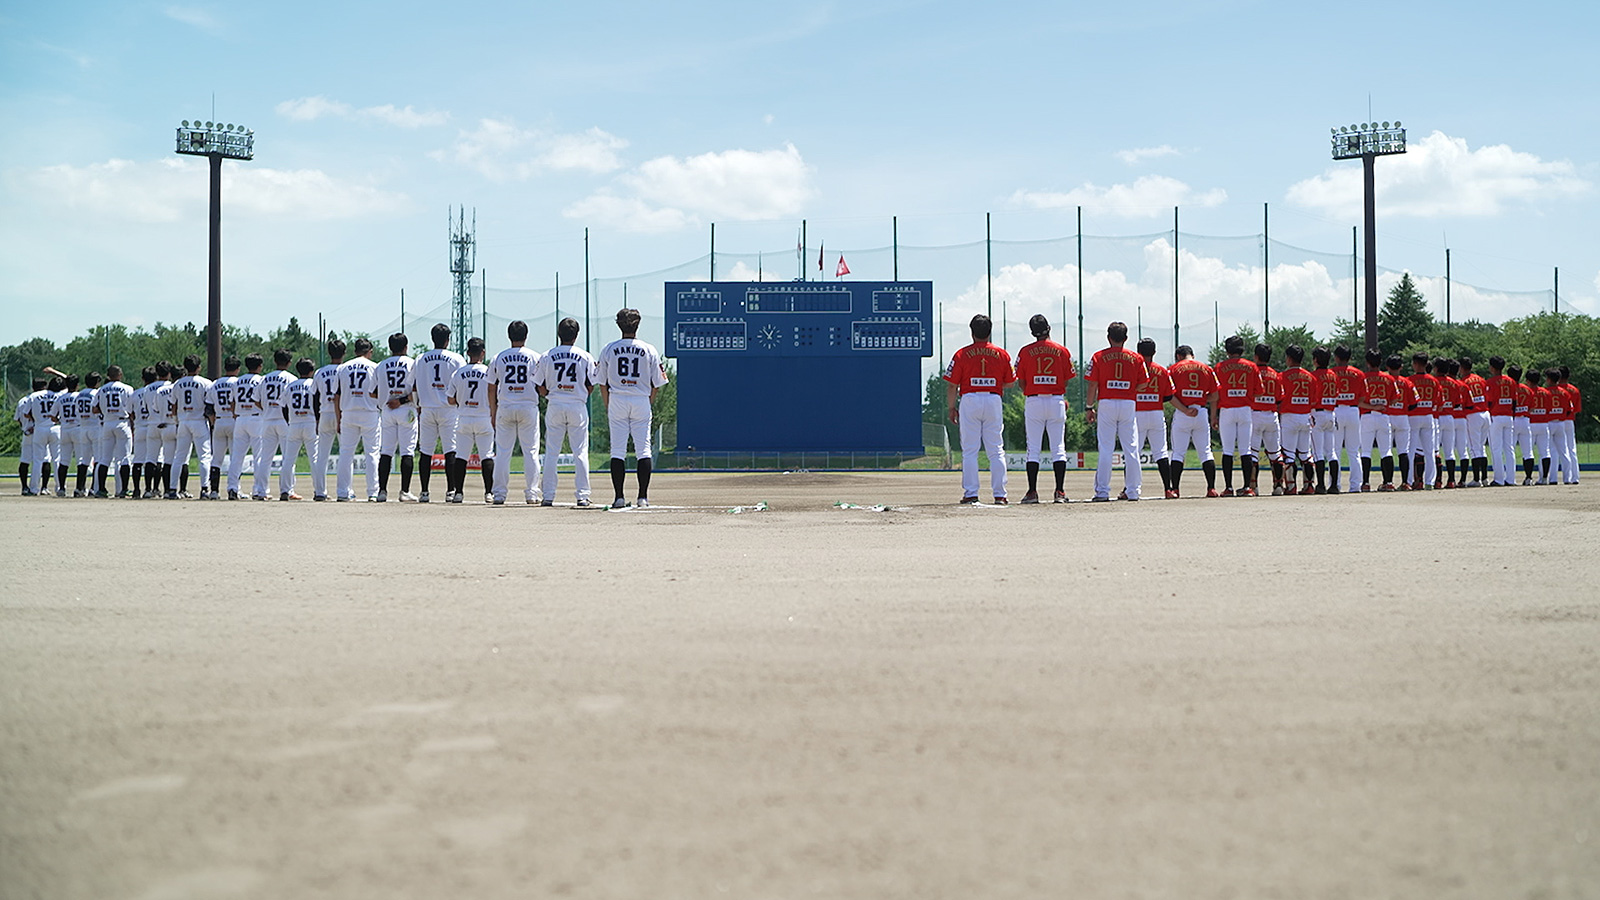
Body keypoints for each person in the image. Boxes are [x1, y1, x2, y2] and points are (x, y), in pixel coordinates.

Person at [598, 309, 668, 509]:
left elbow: (601, 382)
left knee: (617, 450)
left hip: (617, 399)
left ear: (619, 324)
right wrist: (649, 402)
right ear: (638, 324)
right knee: (643, 450)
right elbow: (657, 383)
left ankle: (619, 497)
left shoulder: (608, 349)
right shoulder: (649, 349)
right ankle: (642, 498)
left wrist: (608, 404)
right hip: (641, 400)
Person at [945, 314, 1014, 504]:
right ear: (990, 331)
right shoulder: (1001, 354)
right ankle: (1000, 494)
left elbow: (952, 385)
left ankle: (971, 493)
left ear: (972, 332)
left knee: (970, 450)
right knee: (996, 449)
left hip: (969, 399)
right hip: (993, 399)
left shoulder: (961, 354)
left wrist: (951, 408)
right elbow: (1009, 383)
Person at [534, 317, 599, 507]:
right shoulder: (585, 356)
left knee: (552, 452)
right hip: (577, 405)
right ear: (576, 335)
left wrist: (550, 392)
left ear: (558, 334)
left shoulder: (547, 355)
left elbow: (539, 385)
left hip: (555, 404)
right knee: (580, 452)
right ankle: (583, 495)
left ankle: (548, 495)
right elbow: (591, 384)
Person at [1014, 314, 1075, 503]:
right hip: (1056, 400)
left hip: (1034, 400)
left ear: (1032, 332)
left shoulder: (1024, 351)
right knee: (1058, 448)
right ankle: (1060, 492)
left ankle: (1032, 492)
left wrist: (1034, 390)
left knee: (1033, 449)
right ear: (1049, 328)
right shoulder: (1062, 350)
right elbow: (1067, 378)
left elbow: (1021, 382)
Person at [1085, 321, 1148, 502]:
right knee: (1131, 448)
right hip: (1128, 403)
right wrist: (1130, 389)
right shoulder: (1136, 358)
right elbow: (1144, 382)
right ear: (1126, 338)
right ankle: (1133, 491)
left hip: (1106, 402)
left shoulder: (1098, 356)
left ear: (1108, 337)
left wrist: (1089, 407)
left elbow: (1092, 384)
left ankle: (1102, 492)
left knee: (1106, 448)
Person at [489, 320, 544, 506]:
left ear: (509, 336)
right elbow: (541, 384)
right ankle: (532, 493)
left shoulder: (498, 357)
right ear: (526, 336)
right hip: (528, 406)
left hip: (505, 405)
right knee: (531, 452)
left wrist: (492, 412)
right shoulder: (535, 356)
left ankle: (499, 494)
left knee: (503, 453)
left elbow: (491, 387)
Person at [414, 324, 466, 503]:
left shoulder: (420, 358)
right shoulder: (456, 358)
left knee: (425, 451)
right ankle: (451, 490)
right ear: (447, 340)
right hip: (448, 408)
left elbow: (414, 384)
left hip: (427, 408)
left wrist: (417, 403)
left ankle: (424, 492)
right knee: (450, 450)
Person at [446, 337, 496, 504]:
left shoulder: (458, 373)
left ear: (467, 353)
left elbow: (450, 400)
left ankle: (458, 492)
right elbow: (494, 395)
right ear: (483, 352)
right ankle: (489, 493)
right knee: (486, 456)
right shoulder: (489, 371)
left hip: (464, 417)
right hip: (484, 417)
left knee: (461, 456)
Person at [1166, 345, 1218, 498]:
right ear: (1192, 355)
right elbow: (1215, 396)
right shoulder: (1207, 368)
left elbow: (1169, 395)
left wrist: (1185, 409)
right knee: (1205, 452)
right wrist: (1202, 399)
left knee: (1178, 453)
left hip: (1183, 413)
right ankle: (1211, 489)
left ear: (1178, 356)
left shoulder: (1174, 369)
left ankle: (1175, 489)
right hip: (1201, 412)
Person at [1212, 335, 1261, 496]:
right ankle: (1247, 487)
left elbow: (1215, 394)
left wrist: (1214, 415)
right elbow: (1259, 391)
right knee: (1245, 450)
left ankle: (1228, 488)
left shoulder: (1219, 367)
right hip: (1245, 410)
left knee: (1227, 450)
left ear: (1227, 351)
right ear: (1242, 350)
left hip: (1226, 410)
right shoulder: (1252, 366)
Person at [334, 338, 382, 502]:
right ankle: (373, 492)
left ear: (355, 352)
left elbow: (337, 395)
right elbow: (379, 392)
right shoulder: (375, 367)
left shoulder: (342, 367)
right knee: (372, 453)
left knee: (346, 453)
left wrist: (338, 418)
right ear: (370, 352)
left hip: (348, 412)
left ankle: (342, 492)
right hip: (369, 412)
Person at [374, 332, 419, 502]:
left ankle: (382, 491)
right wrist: (401, 399)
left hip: (387, 410)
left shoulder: (381, 365)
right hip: (406, 408)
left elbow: (373, 391)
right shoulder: (412, 363)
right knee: (407, 451)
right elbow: (416, 389)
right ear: (406, 347)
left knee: (386, 451)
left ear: (390, 347)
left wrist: (387, 398)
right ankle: (405, 491)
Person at [1132, 337, 1175, 499]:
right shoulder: (1162, 370)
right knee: (1161, 452)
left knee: (1134, 452)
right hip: (1157, 413)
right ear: (1154, 352)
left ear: (1138, 352)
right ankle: (1168, 489)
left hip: (1137, 414)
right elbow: (1168, 395)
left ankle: (1129, 488)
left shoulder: (1134, 369)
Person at [169, 355, 213, 500]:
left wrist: (177, 420)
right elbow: (209, 406)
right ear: (199, 367)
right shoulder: (206, 383)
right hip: (199, 421)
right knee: (204, 457)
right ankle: (205, 489)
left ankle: (172, 489)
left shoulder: (177, 383)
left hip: (183, 421)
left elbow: (173, 406)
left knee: (179, 457)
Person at [310, 341, 344, 502]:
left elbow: (315, 397)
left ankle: (319, 491)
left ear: (329, 353)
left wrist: (316, 418)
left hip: (324, 414)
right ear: (344, 354)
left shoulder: (319, 372)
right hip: (342, 415)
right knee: (345, 454)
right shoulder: (345, 370)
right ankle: (345, 490)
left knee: (322, 456)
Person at [227, 354, 265, 501]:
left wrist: (238, 415)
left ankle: (232, 488)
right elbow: (260, 401)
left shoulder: (237, 381)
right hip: (256, 418)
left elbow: (232, 403)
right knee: (258, 456)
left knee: (236, 457)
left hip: (240, 419)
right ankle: (257, 490)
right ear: (259, 366)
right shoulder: (261, 380)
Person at [1248, 343, 1284, 496]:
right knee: (1275, 454)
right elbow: (1280, 398)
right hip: (1271, 415)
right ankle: (1278, 486)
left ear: (1256, 357)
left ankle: (1253, 487)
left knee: (1253, 454)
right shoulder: (1275, 374)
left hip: (1255, 414)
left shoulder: (1252, 372)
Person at [279, 358, 318, 500]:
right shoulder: (314, 384)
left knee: (288, 459)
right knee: (314, 459)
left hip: (294, 423)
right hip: (310, 422)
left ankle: (285, 490)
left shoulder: (290, 386)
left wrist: (289, 421)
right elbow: (317, 404)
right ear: (311, 371)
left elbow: (283, 407)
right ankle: (319, 491)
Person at [1329, 345, 1366, 494]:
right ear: (1349, 357)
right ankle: (1356, 486)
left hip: (1336, 410)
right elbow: (1362, 397)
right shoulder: (1358, 373)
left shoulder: (1331, 373)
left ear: (1336, 357)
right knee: (1354, 451)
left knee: (1335, 450)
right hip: (1353, 410)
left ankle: (1335, 485)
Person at [1357, 349, 1393, 492]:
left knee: (1366, 451)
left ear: (1367, 363)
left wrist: (1372, 405)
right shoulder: (1388, 378)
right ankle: (1388, 482)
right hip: (1383, 415)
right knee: (1386, 451)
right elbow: (1396, 397)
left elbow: (1359, 402)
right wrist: (1382, 404)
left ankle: (1365, 482)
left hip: (1367, 416)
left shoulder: (1363, 378)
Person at [1407, 353, 1440, 491]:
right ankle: (1430, 482)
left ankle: (1408, 480)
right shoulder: (1434, 381)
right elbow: (1438, 402)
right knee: (1429, 451)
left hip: (1414, 416)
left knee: (1411, 450)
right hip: (1428, 416)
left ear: (1415, 364)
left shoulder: (1409, 380)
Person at [207, 357, 240, 500]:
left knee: (216, 459)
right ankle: (234, 490)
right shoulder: (238, 382)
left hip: (219, 421)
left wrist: (214, 423)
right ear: (237, 369)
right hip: (234, 421)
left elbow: (208, 408)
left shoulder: (215, 384)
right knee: (235, 458)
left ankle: (214, 491)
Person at [1310, 347, 1340, 493]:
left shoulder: (1313, 375)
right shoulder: (1333, 375)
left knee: (1318, 453)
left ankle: (1321, 485)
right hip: (1331, 413)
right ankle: (1334, 485)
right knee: (1331, 452)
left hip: (1318, 414)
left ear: (1316, 360)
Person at [1485, 355, 1518, 486]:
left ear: (1492, 367)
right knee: (1509, 448)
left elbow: (1489, 401)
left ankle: (1499, 479)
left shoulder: (1490, 382)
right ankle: (1511, 478)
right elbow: (1515, 401)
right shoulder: (1511, 381)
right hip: (1509, 416)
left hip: (1496, 416)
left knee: (1496, 448)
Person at [1459, 357, 1490, 487]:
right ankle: (1484, 478)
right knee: (1481, 448)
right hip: (1486, 413)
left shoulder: (1463, 382)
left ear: (1462, 367)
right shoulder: (1481, 379)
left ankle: (1476, 479)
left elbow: (1463, 402)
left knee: (1474, 449)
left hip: (1473, 415)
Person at [1385, 355, 1414, 491]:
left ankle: (1388, 482)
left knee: (1387, 451)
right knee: (1403, 451)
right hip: (1403, 417)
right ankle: (1405, 482)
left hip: (1388, 417)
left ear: (1387, 367)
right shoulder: (1407, 382)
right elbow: (1415, 403)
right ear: (1401, 367)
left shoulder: (1385, 380)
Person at [14, 379, 48, 495]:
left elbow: (18, 418)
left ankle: (24, 487)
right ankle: (44, 487)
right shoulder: (45, 397)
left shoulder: (22, 400)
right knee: (44, 459)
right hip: (41, 430)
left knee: (25, 460)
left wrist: (25, 426)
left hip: (27, 433)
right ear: (44, 387)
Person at [1526, 368, 1552, 485]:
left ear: (1528, 380)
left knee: (1529, 452)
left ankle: (1529, 477)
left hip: (1531, 424)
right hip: (1544, 423)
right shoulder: (1546, 392)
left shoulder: (1526, 391)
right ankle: (1545, 478)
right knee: (1545, 452)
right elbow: (1550, 409)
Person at [1510, 364, 1535, 485]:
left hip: (1513, 420)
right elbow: (1531, 408)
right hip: (1525, 420)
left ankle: (1510, 477)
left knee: (1510, 449)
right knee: (1528, 451)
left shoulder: (1509, 388)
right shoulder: (1527, 389)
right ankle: (1529, 478)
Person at [1556, 365, 1581, 484]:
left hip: (1557, 420)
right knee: (1571, 448)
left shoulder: (1555, 389)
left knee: (1557, 449)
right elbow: (1576, 409)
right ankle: (1575, 477)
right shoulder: (1574, 390)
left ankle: (1554, 477)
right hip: (1569, 420)